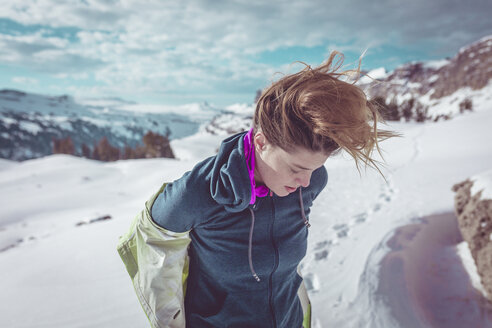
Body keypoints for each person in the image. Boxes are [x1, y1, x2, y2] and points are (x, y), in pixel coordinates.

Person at [118, 51, 397, 328]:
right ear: (262, 142)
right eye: (297, 169)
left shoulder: (312, 182)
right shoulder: (199, 192)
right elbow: (150, 243)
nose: (305, 182)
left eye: (313, 169)